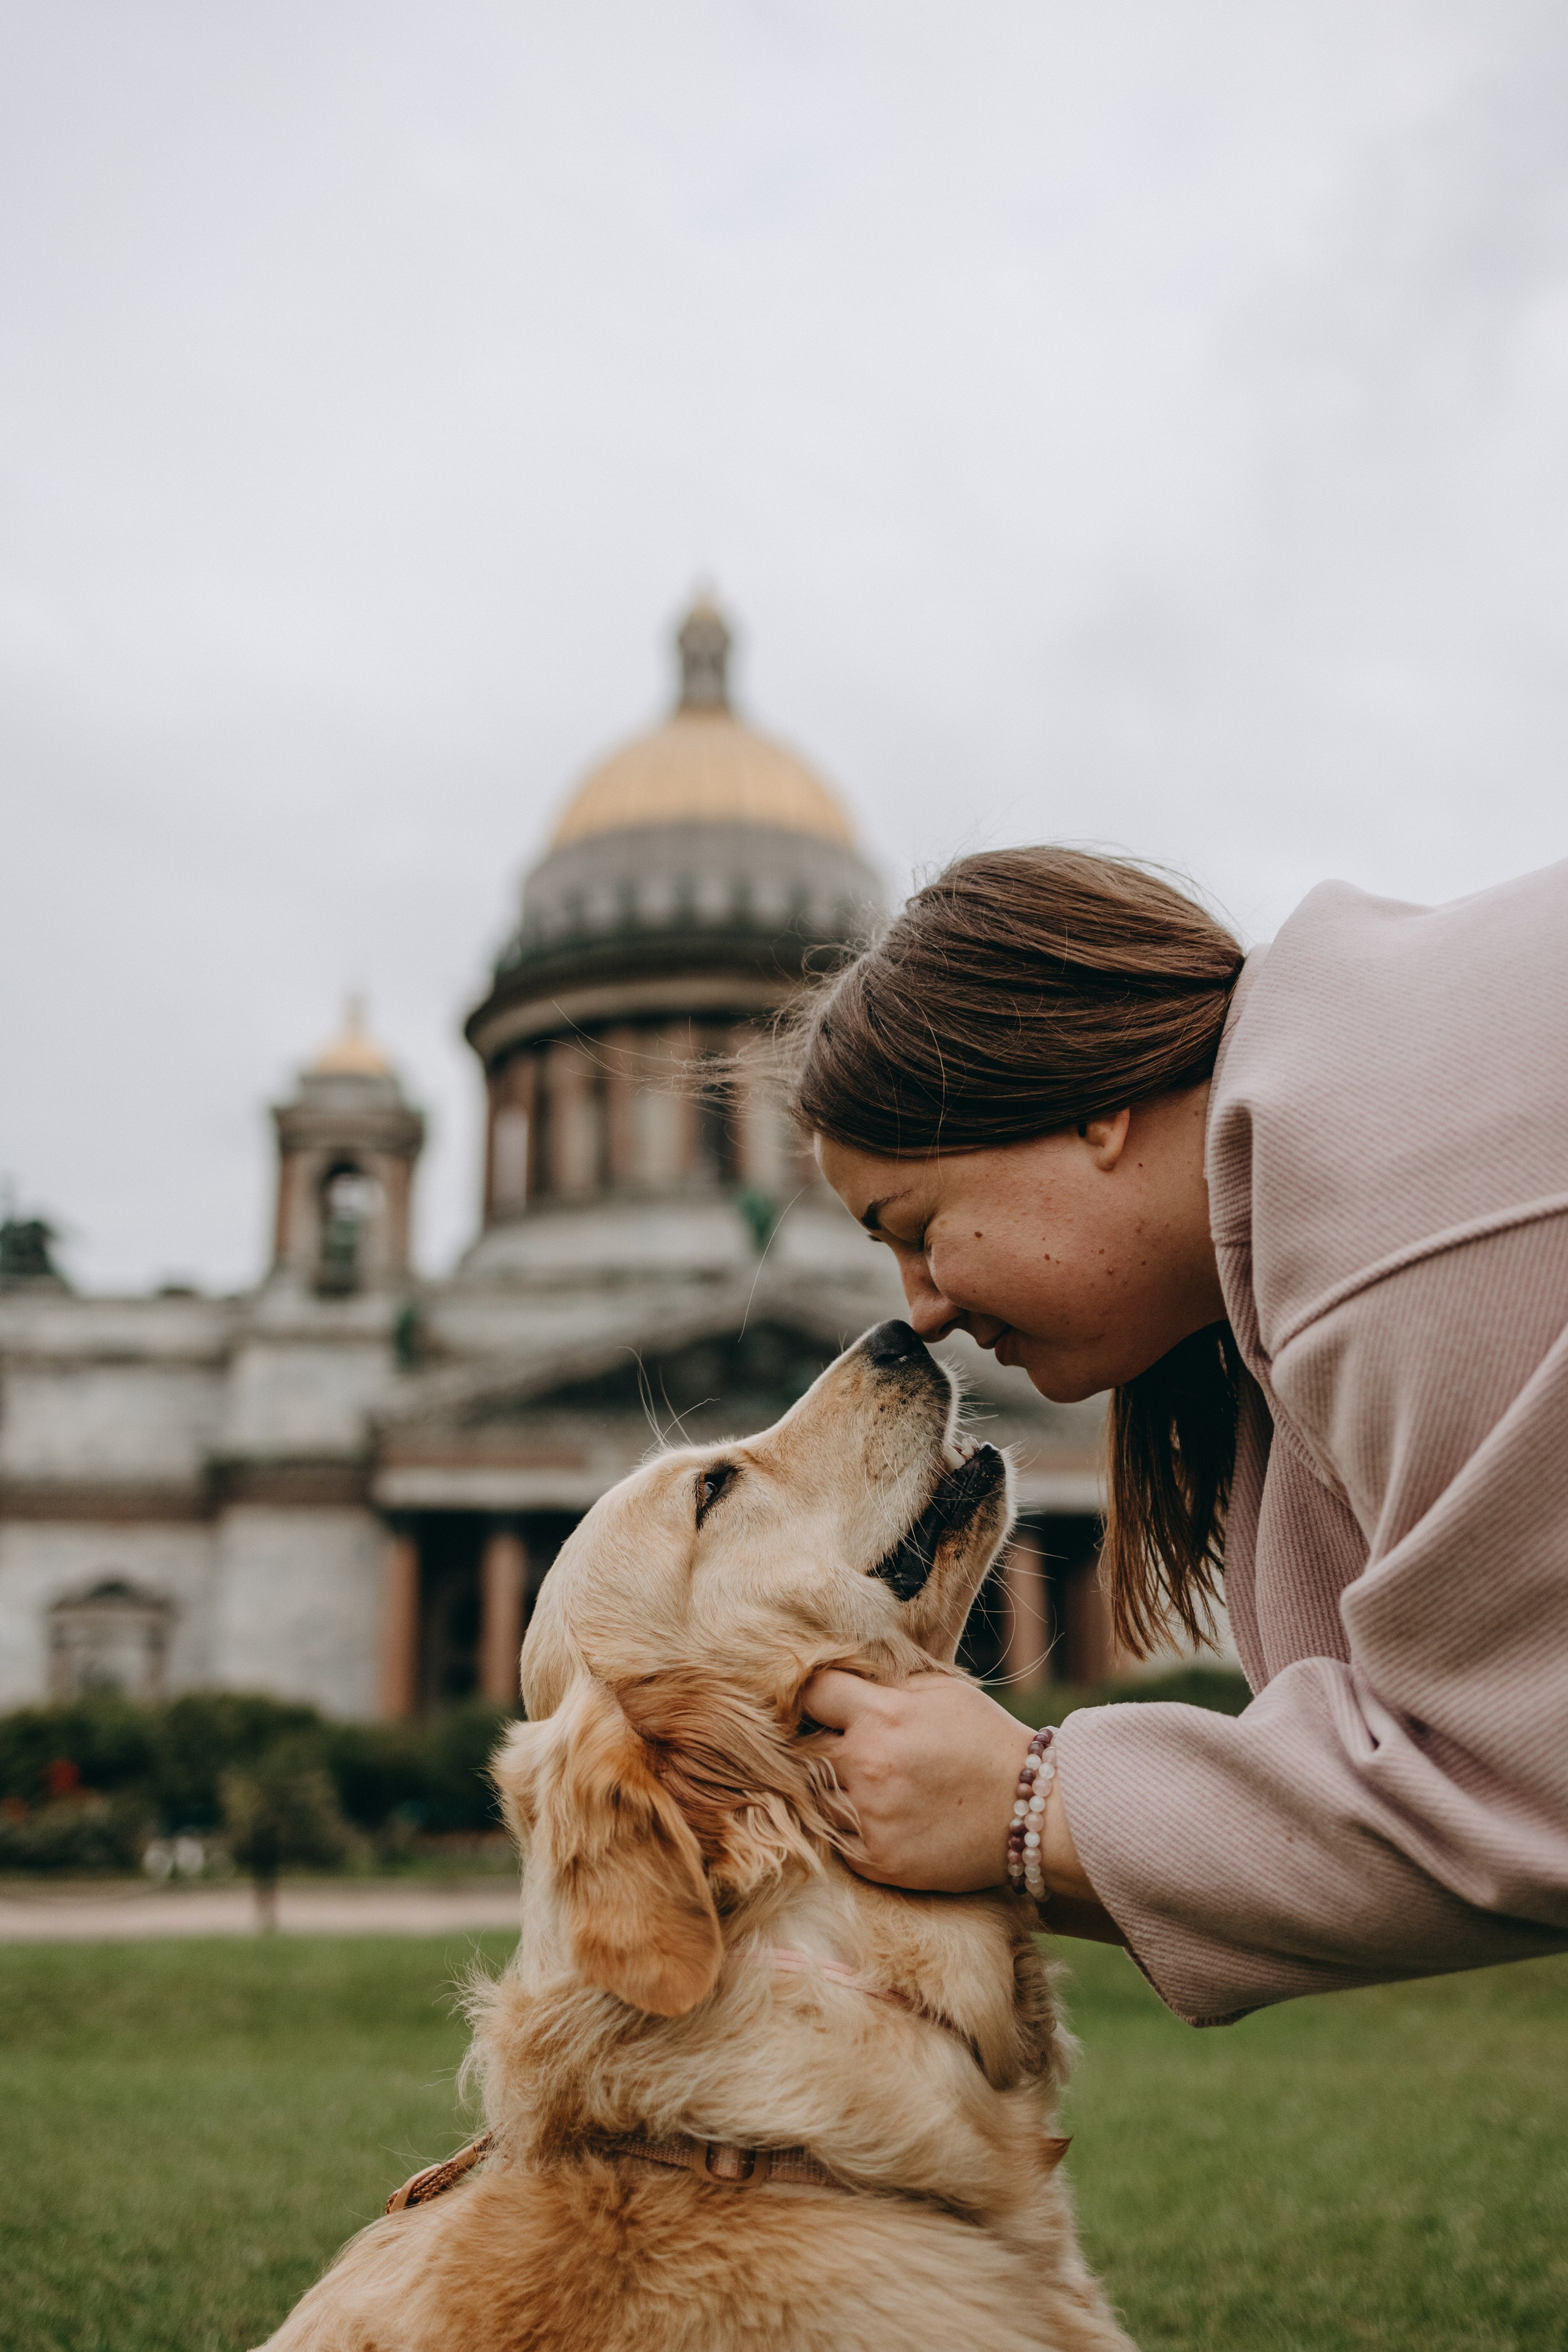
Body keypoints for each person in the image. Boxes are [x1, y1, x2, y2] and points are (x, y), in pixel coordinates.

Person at [792, 846, 1568, 2026]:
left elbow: (1517, 1781)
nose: (922, 1311)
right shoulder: (1360, 1115)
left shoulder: (1385, 1247)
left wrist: (1020, 1802)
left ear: (1093, 1111)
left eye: (918, 1227)